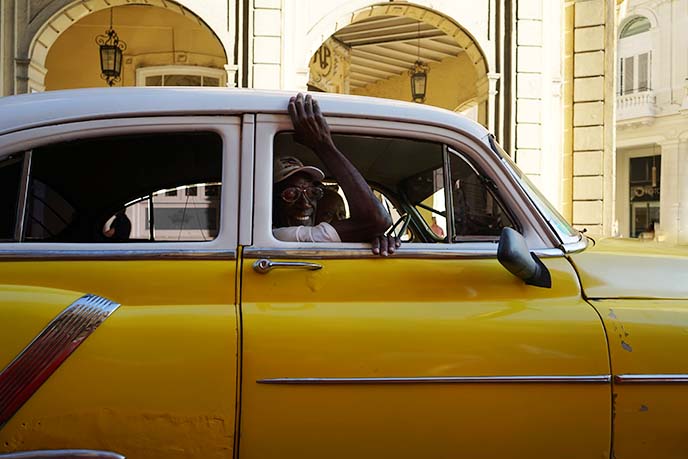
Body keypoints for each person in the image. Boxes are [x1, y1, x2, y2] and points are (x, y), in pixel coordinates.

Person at [272, 93, 400, 256]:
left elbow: (371, 225)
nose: (305, 204)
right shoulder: (280, 236)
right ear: (271, 200)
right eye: (291, 194)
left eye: (312, 193)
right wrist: (322, 144)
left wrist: (373, 239)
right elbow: (377, 219)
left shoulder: (311, 236)